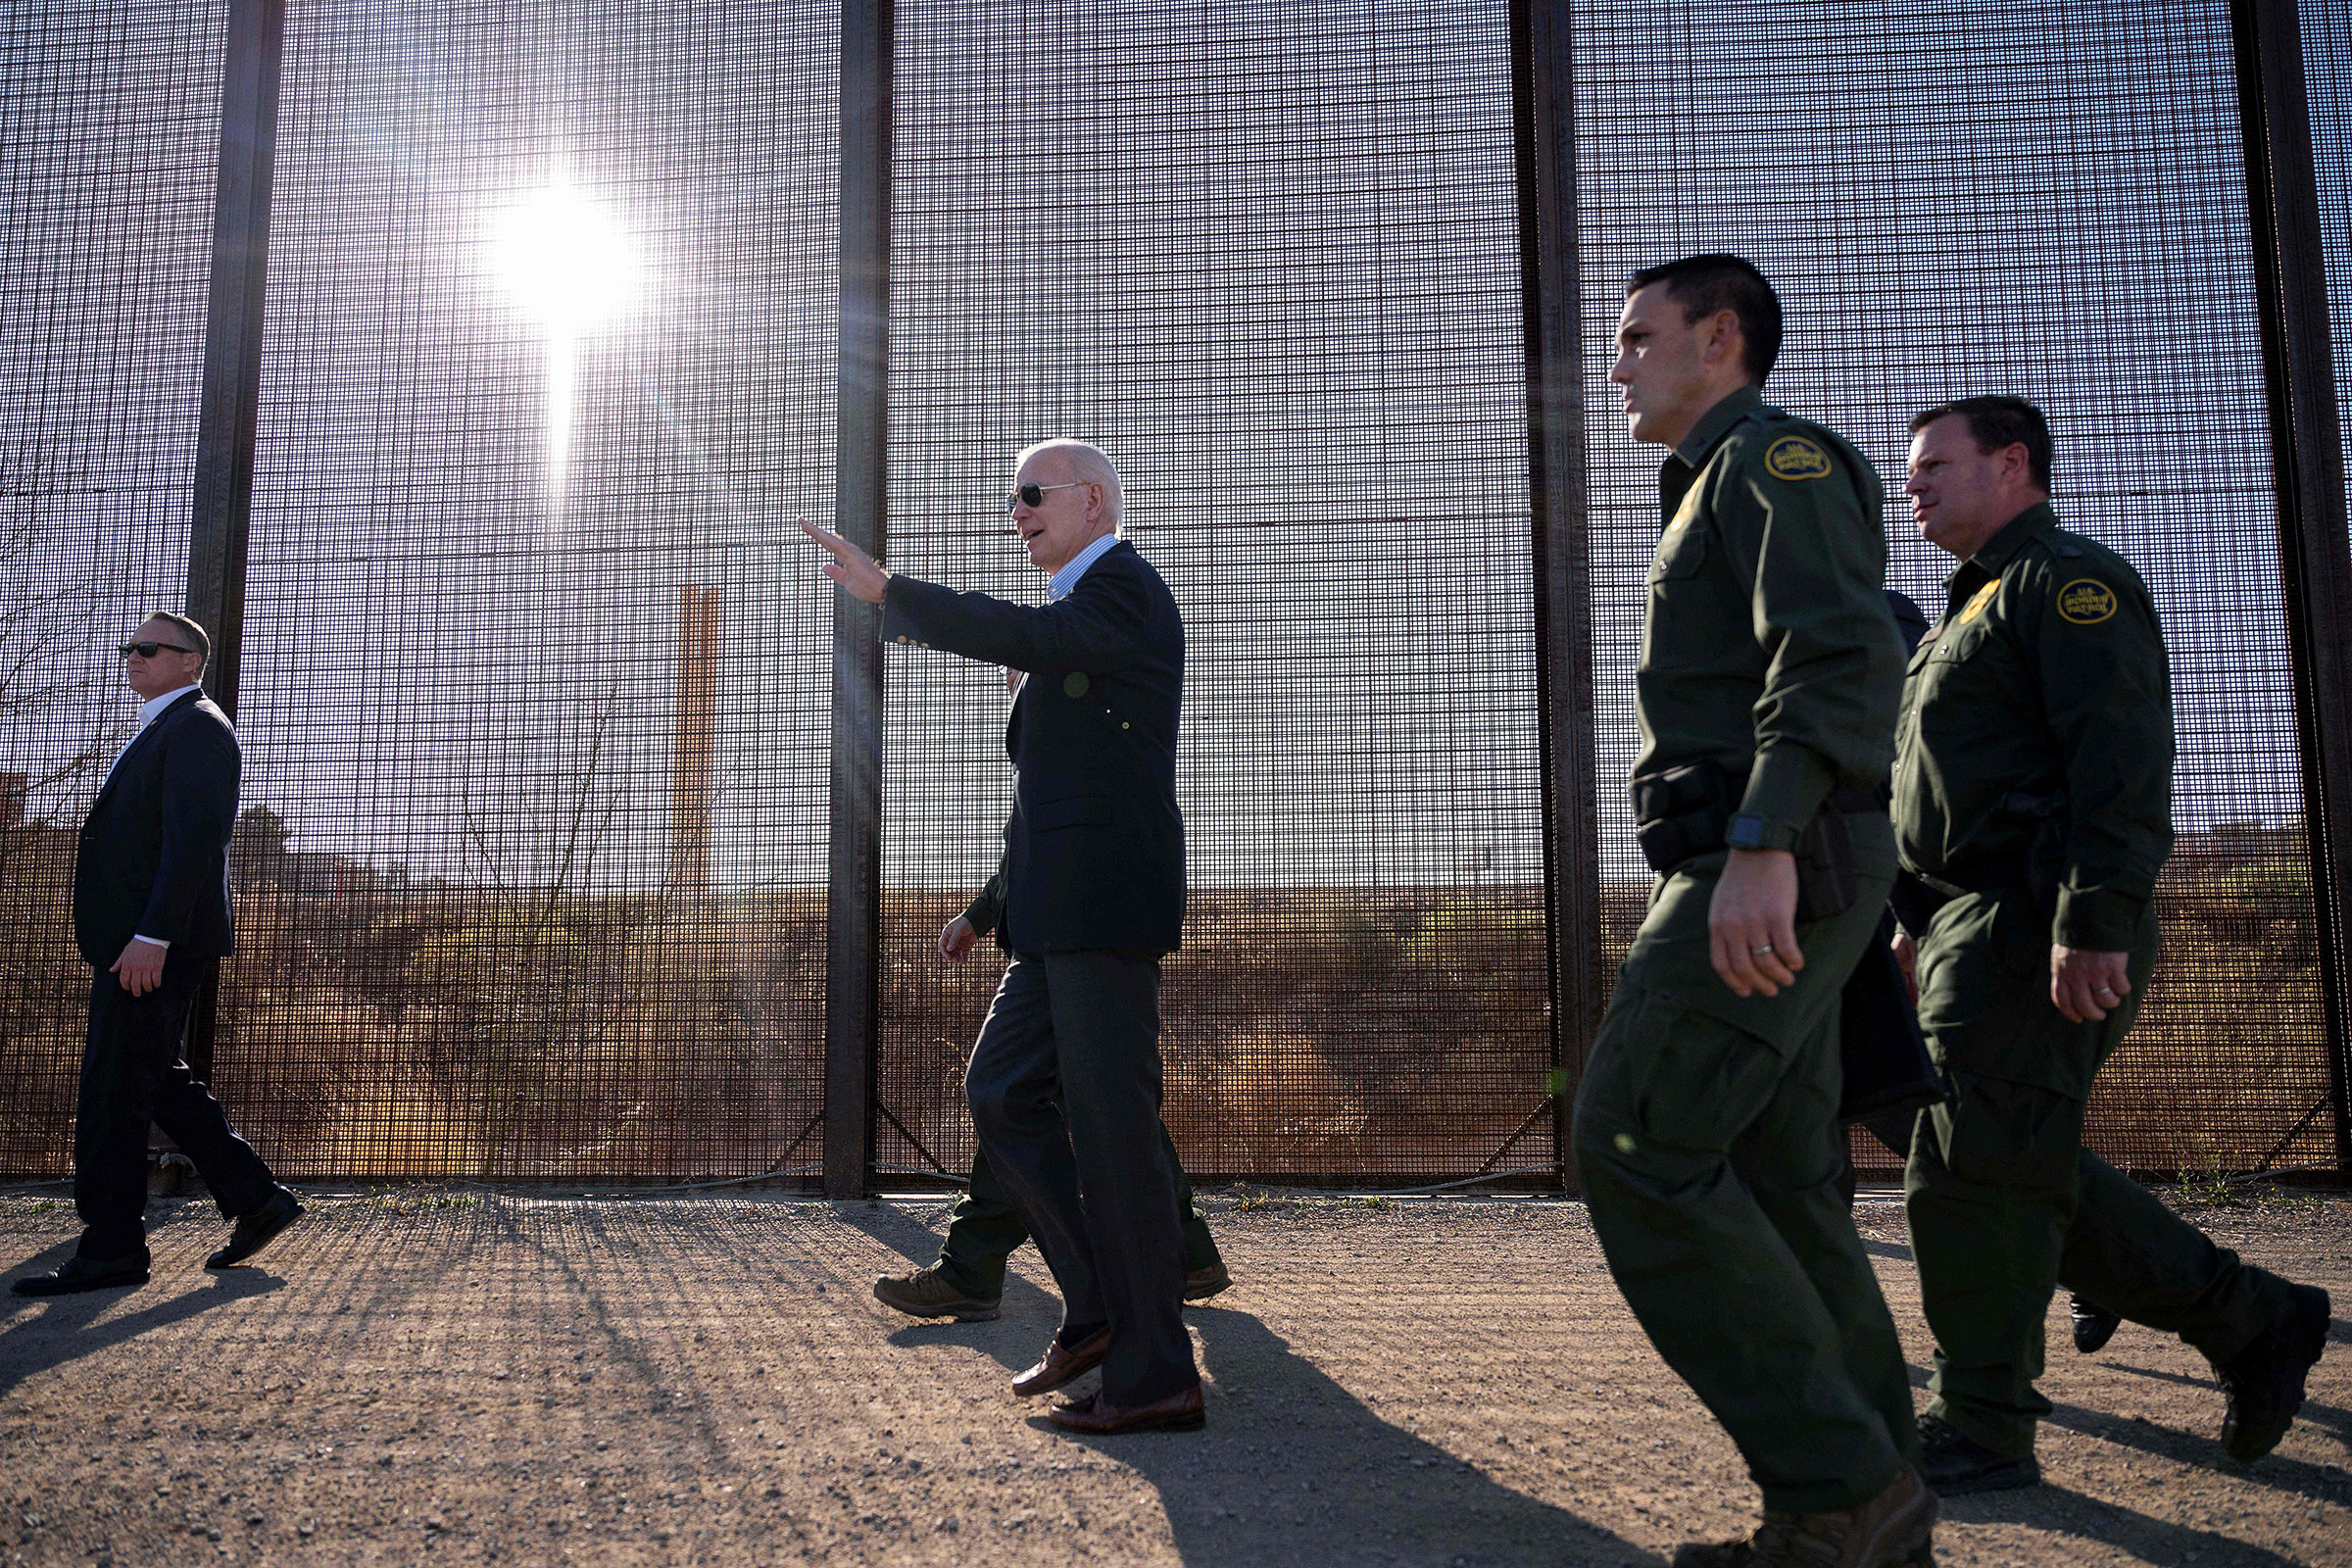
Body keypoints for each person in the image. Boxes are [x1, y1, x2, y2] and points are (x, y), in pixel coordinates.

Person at [1894, 395, 2330, 1491]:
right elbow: (1928, 793)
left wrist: (2091, 922)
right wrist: (1915, 919)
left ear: (2013, 463)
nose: (1917, 486)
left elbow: (2121, 764)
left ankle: (1983, 1422)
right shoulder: (1959, 613)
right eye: (1913, 472)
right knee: (1997, 1159)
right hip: (1968, 922)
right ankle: (2254, 1316)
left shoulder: (2065, 583)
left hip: (2036, 914)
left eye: (1938, 465)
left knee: (1974, 1179)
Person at [1575, 255, 1934, 1568]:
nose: (1615, 365)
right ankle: (1862, 1508)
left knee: (1634, 1139)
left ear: (1718, 338)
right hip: (1767, 857)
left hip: (1776, 857)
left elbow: (1840, 651)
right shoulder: (1710, 485)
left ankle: (1840, 1484)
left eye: (1635, 338)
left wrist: (1763, 841)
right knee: (1783, 1183)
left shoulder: (1774, 462)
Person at [802, 438, 1204, 1434]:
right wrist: (988, 910)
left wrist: (895, 592)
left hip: (1102, 912)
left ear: (1094, 500)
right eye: (1013, 497)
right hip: (1050, 918)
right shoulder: (1078, 618)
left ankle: (1155, 1373)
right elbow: (1053, 799)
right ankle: (1101, 1310)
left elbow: (1027, 635)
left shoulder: (1122, 589)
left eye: (1032, 494)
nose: (1016, 511)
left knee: (1115, 1137)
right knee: (999, 1089)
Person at [12, 613, 302, 1298]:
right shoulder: (161, 726)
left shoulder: (198, 726)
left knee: (113, 1090)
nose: (132, 657)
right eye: (129, 648)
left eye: (148, 648)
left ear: (189, 660)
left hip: (154, 944)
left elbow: (194, 844)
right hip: (135, 942)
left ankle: (111, 1248)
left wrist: (154, 937)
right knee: (150, 1075)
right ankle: (256, 1197)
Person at [873, 864, 1230, 1322]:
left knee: (1037, 1097)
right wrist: (979, 914)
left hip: (1086, 934)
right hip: (1058, 938)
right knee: (1043, 1099)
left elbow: (1087, 829)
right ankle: (1184, 1254)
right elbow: (1029, 840)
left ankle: (977, 1271)